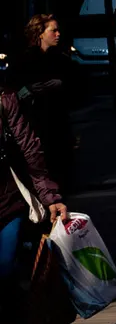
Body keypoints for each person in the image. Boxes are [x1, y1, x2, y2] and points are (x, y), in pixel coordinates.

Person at [0, 89, 68, 324]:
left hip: (6, 203)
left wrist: (50, 197)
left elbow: (29, 150)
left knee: (5, 268)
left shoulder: (4, 99)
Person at [9, 15, 78, 193]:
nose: (58, 34)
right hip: (34, 130)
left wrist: (60, 85)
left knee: (61, 181)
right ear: (40, 33)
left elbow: (77, 87)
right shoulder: (24, 61)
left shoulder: (61, 59)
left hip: (58, 130)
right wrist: (27, 91)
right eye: (53, 30)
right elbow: (12, 90)